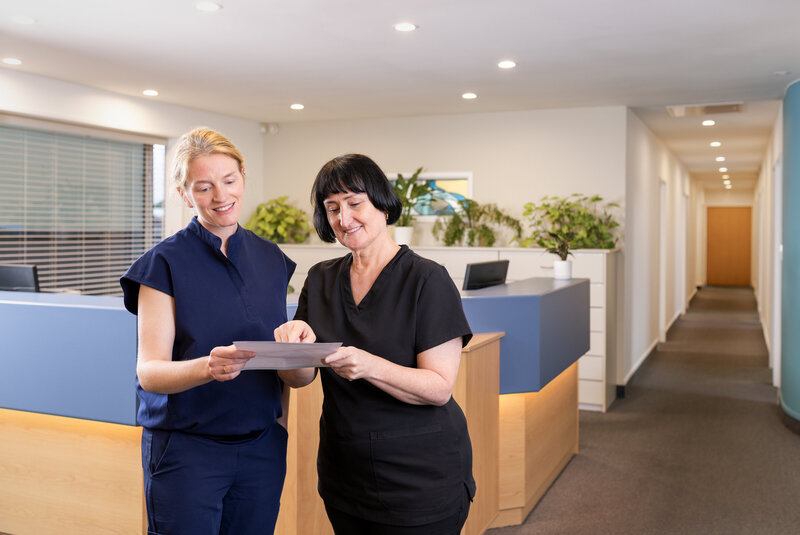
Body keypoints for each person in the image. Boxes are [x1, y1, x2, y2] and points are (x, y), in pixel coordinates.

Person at [274, 154, 475, 534]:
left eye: (354, 203)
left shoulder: (427, 280)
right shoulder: (320, 279)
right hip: (345, 473)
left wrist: (369, 366)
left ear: (382, 204)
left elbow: (438, 388)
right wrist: (292, 346)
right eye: (332, 208)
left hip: (419, 477)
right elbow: (301, 379)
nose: (343, 219)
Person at [120, 127, 307, 535]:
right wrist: (207, 367)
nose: (221, 197)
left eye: (229, 181)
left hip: (261, 447)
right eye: (203, 187)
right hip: (187, 452)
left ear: (243, 176)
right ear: (184, 194)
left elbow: (283, 366)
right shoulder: (162, 264)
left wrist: (299, 350)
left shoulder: (271, 258)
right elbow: (149, 372)